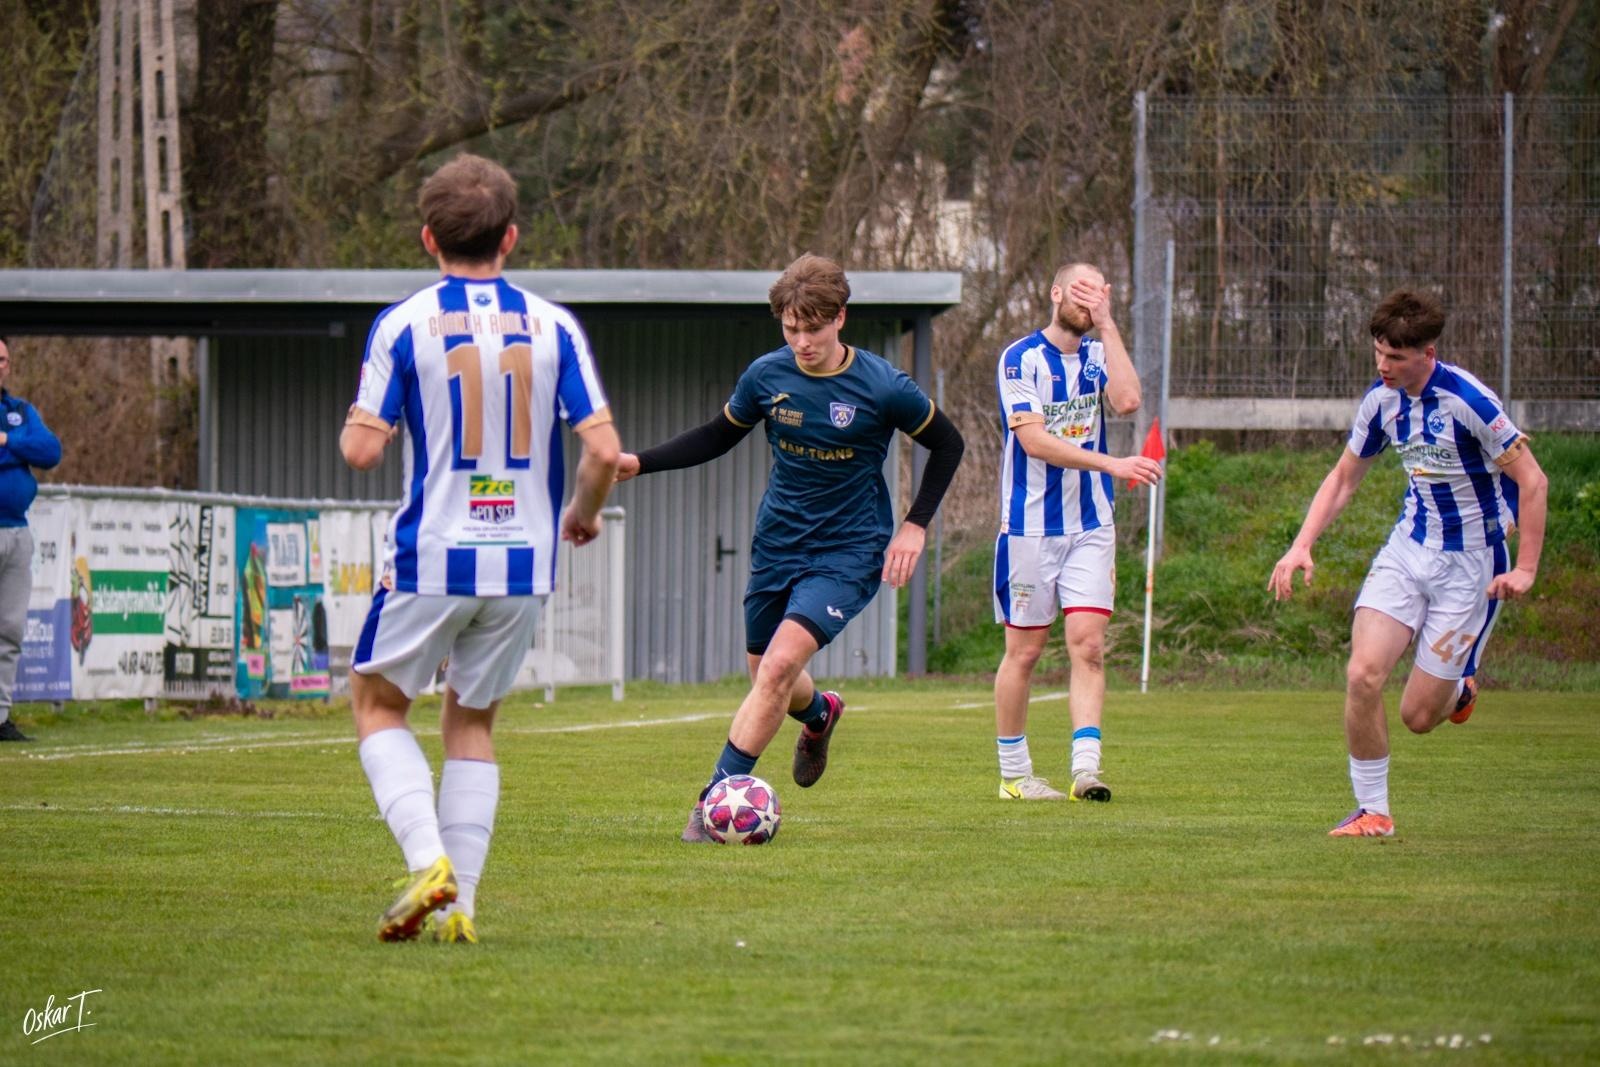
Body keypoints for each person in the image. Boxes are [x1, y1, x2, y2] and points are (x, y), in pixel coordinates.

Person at [340, 154, 620, 940]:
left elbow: (362, 451)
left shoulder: (404, 324)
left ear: (429, 238)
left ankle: (429, 861)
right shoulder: (555, 325)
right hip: (523, 562)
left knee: (376, 702)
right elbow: (602, 450)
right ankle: (459, 906)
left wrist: (366, 420)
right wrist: (584, 513)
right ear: (512, 237)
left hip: (433, 554)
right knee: (471, 725)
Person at [616, 253, 965, 842]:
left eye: (813, 327)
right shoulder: (766, 376)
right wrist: (639, 462)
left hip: (850, 550)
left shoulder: (882, 385)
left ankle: (711, 804)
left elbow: (949, 445)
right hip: (778, 543)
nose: (802, 340)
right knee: (767, 678)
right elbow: (717, 436)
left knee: (778, 667)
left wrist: (915, 524)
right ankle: (820, 714)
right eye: (791, 328)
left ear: (840, 319)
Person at [1269, 288, 1547, 838]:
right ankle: (1373, 810)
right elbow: (1345, 477)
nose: (1383, 365)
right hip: (1407, 551)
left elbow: (1532, 482)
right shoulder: (1381, 402)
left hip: (1470, 567)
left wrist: (1526, 570)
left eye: (1395, 357)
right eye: (1378, 352)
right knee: (1363, 674)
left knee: (1418, 718)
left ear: (1427, 351)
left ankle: (1459, 689)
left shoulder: (1467, 400)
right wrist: (1301, 544)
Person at [990, 264, 1160, 801]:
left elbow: (1128, 401)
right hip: (1029, 528)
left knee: (1088, 646)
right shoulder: (1020, 358)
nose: (1087, 302)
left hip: (1091, 525)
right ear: (1055, 291)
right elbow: (1035, 442)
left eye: (1099, 293)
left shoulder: (1096, 354)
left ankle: (1086, 770)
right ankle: (1015, 776)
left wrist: (1109, 327)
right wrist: (1111, 464)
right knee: (1025, 652)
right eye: (1079, 290)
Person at [0, 337, 62, 743]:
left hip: (17, 532)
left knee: (9, 629)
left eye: (2, 358)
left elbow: (51, 451)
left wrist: (8, 443)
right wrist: (21, 454)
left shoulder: (20, 411)